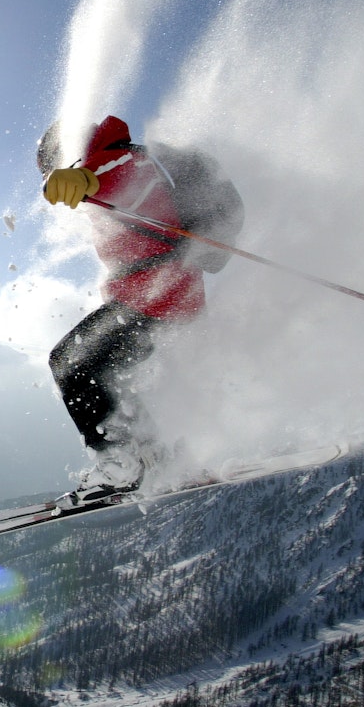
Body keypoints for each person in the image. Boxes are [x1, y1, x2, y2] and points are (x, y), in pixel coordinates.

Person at [38, 115, 244, 497]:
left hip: (155, 298)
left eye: (50, 165)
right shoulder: (115, 164)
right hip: (162, 297)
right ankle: (155, 459)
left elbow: (120, 179)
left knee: (70, 364)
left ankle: (120, 466)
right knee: (111, 380)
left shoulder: (114, 162)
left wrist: (84, 179)